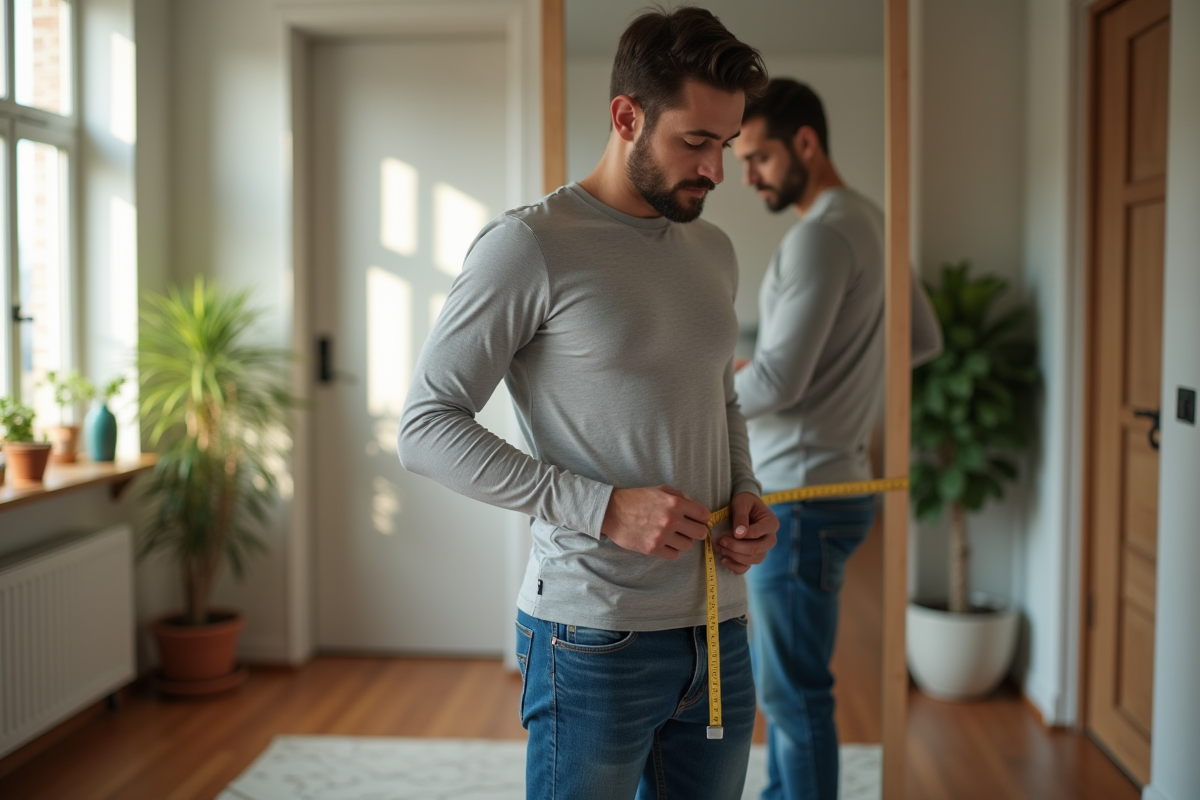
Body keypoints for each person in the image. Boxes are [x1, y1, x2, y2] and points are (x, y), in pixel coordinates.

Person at [398, 8, 780, 800]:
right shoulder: (530, 245)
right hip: (593, 637)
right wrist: (601, 508)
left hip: (720, 625)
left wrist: (745, 491)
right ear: (627, 117)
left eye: (727, 142)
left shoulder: (713, 250)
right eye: (695, 141)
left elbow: (719, 396)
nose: (715, 169)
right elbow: (425, 428)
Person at [730, 79, 943, 800]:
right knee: (791, 688)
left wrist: (704, 390)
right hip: (838, 483)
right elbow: (922, 339)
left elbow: (778, 382)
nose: (748, 176)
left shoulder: (818, 236)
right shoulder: (873, 220)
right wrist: (846, 372)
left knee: (793, 696)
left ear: (806, 143)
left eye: (758, 158)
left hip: (800, 495)